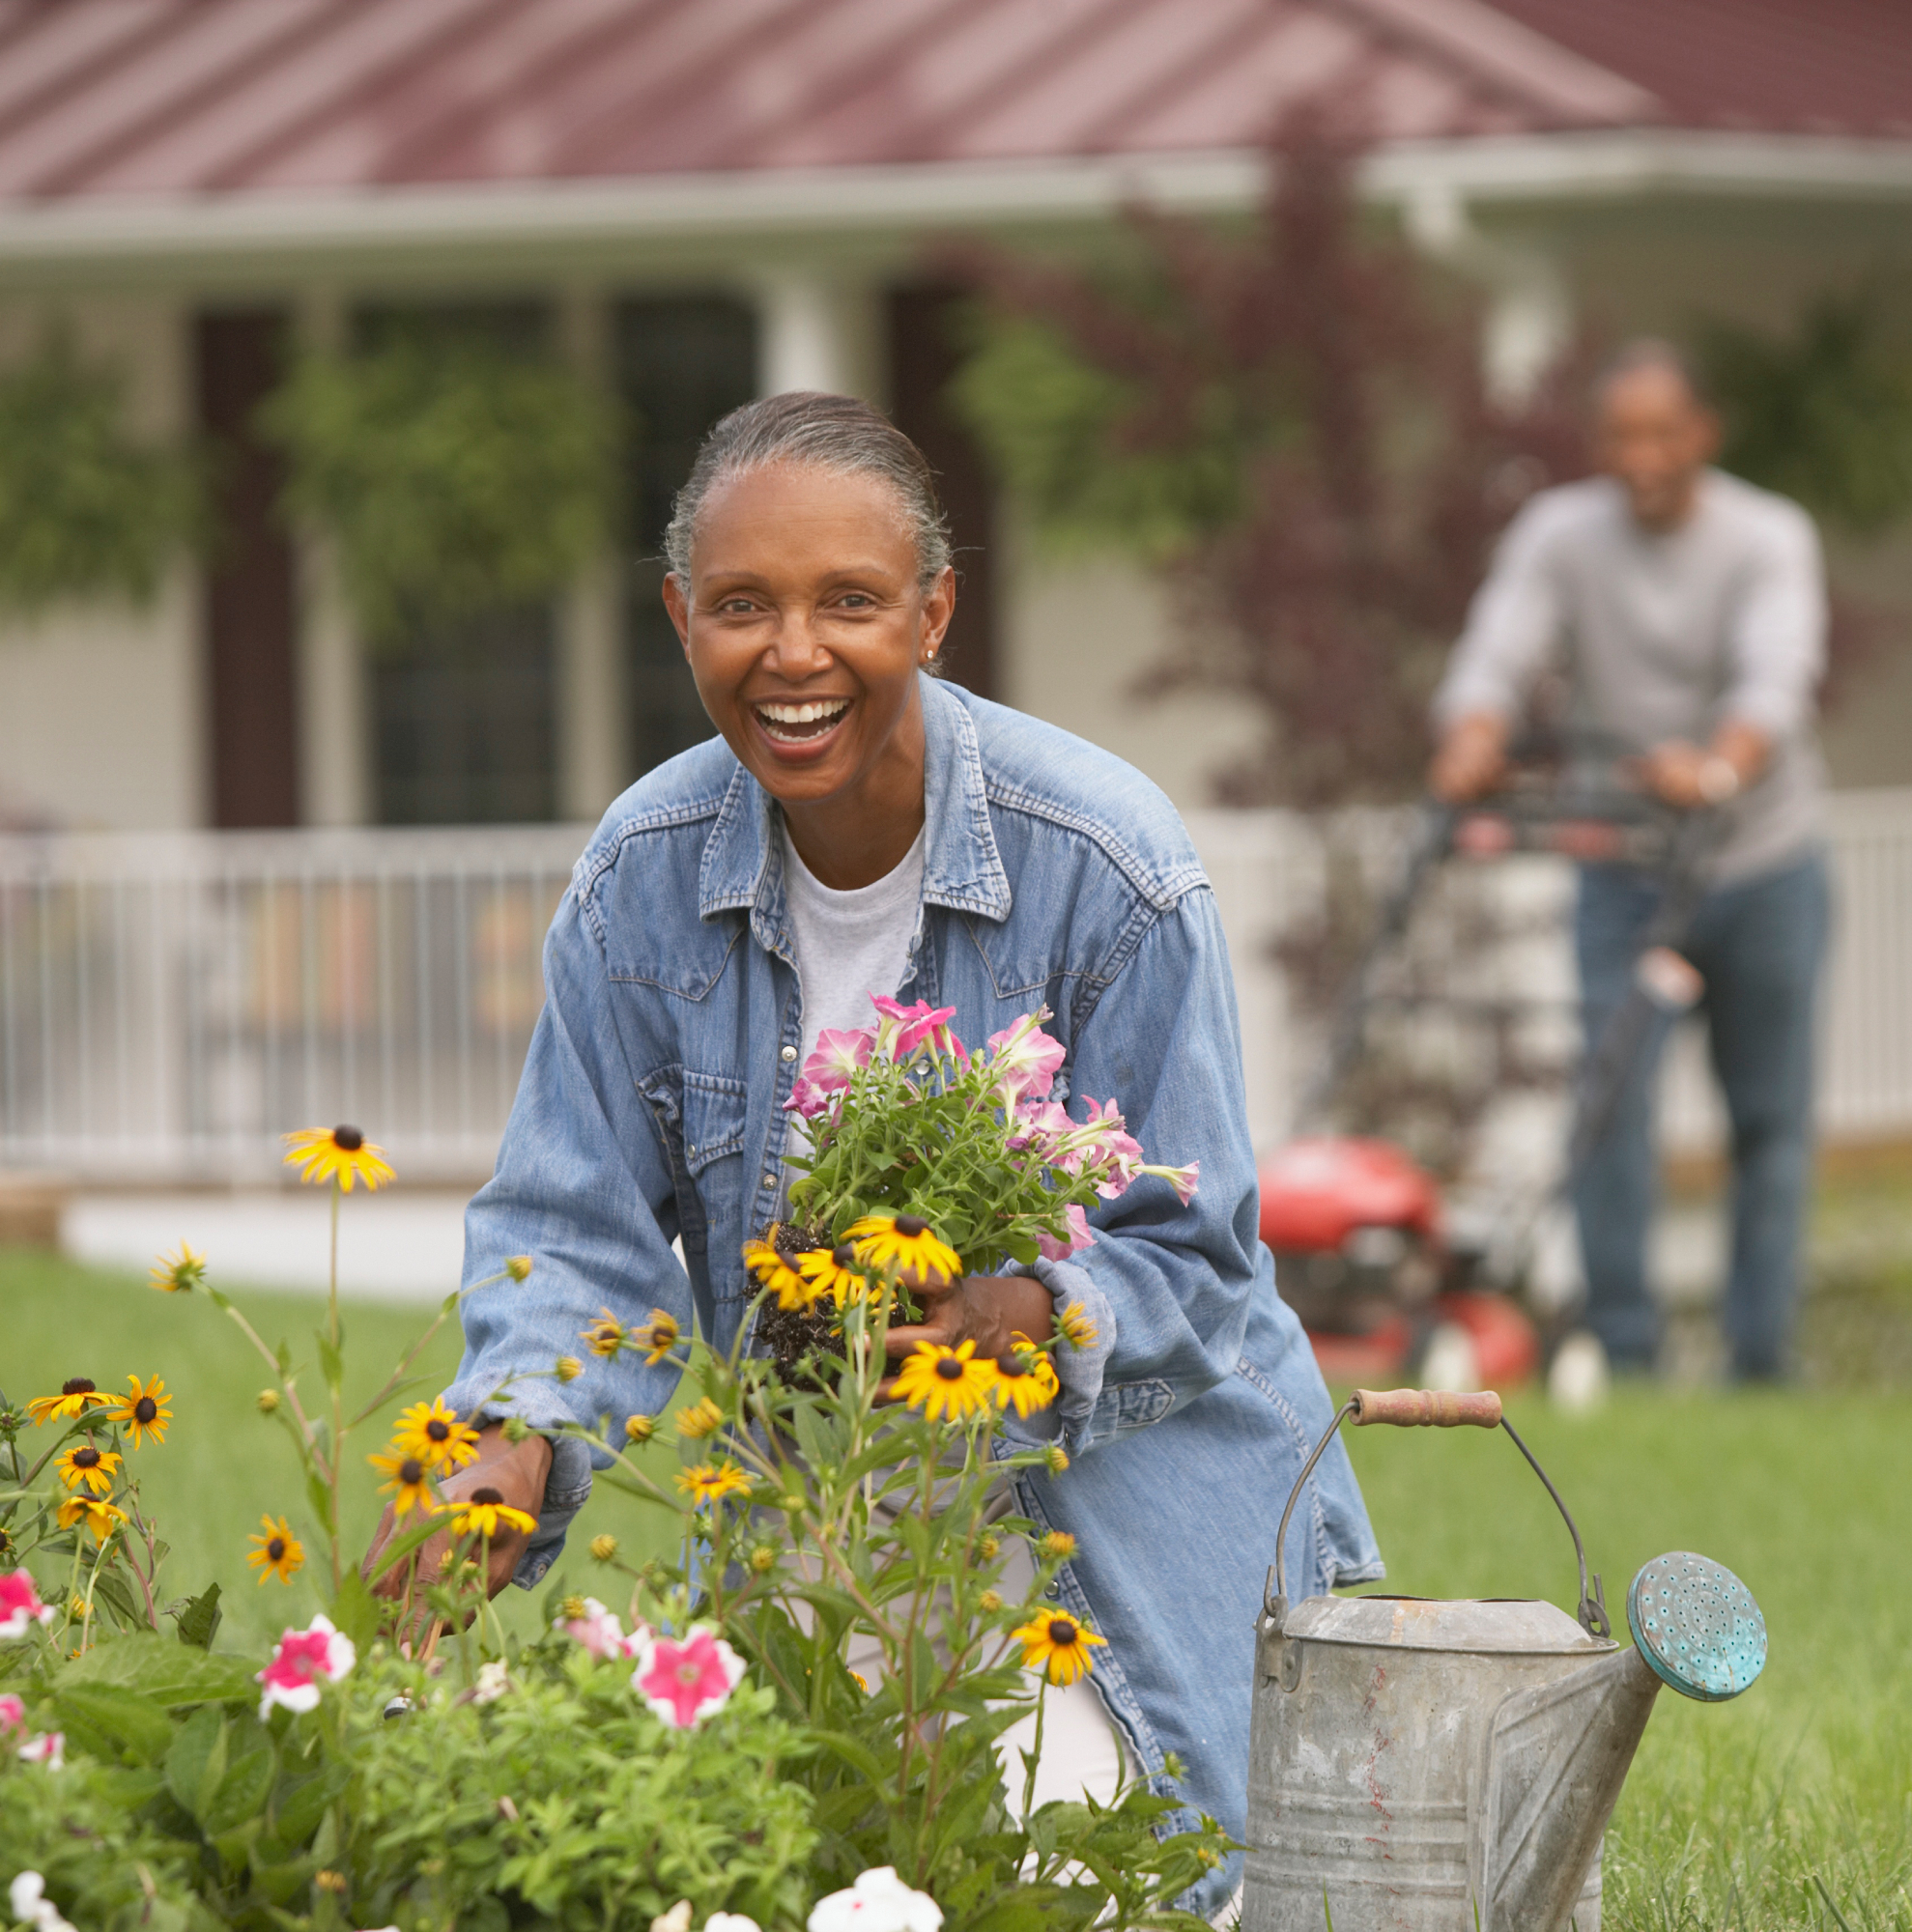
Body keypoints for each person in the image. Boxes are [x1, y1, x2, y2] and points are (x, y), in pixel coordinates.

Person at [378, 391, 1381, 1918]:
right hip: (828, 1518)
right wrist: (509, 1436)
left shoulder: (1106, 863)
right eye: (740, 607)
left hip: (1111, 1529)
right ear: (679, 618)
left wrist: (1032, 1309)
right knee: (733, 1867)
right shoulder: (639, 883)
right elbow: (566, 1226)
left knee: (1059, 1888)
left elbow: (1203, 1259)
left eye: (849, 600)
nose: (793, 655)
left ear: (934, 610)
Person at [1430, 340, 1830, 1380]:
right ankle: (1625, 1350)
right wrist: (1472, 731)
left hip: (1760, 863)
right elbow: (1498, 646)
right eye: (1618, 435)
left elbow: (1773, 679)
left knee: (1768, 1122)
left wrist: (1715, 766)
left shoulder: (1764, 536)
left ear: (1702, 432)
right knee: (1607, 1105)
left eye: (1661, 432)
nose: (1639, 455)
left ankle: (1759, 1362)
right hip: (1622, 865)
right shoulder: (1561, 533)